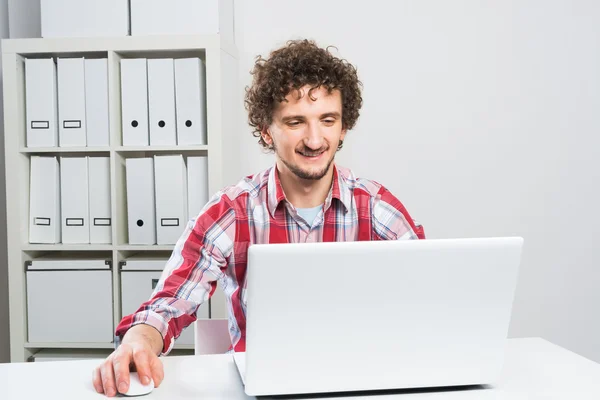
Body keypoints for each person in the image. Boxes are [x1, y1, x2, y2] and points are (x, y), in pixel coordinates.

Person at [92, 39, 425, 397]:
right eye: (296, 122)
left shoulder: (376, 208)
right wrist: (140, 339)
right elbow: (170, 301)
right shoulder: (231, 213)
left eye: (327, 120)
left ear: (343, 127)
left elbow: (430, 296)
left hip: (358, 384)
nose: (315, 139)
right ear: (267, 130)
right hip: (263, 389)